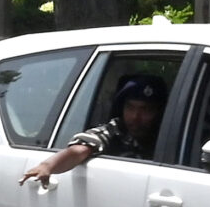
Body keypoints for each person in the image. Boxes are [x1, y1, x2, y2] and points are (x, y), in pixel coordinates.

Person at [19, 73, 167, 185]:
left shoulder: (171, 136)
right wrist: (47, 166)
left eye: (146, 110)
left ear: (159, 112)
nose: (136, 117)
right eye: (130, 108)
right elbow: (81, 149)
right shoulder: (115, 131)